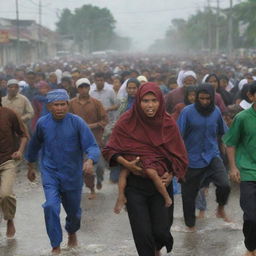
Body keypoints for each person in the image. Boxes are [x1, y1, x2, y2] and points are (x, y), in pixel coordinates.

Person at [103, 83, 188, 256]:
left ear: (160, 102)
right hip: (135, 185)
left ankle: (157, 249)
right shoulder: (126, 121)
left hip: (161, 185)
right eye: (145, 101)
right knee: (142, 233)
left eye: (154, 101)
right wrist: (127, 164)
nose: (150, 105)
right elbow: (110, 150)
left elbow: (178, 154)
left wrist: (171, 174)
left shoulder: (168, 123)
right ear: (138, 102)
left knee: (161, 231)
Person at [25, 89, 100, 254]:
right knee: (50, 206)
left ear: (67, 104)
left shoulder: (77, 122)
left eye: (62, 104)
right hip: (50, 172)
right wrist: (30, 166)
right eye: (55, 105)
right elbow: (34, 146)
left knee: (74, 212)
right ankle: (56, 245)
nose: (59, 108)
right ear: (50, 106)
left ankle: (72, 231)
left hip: (72, 174)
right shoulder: (42, 124)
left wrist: (90, 160)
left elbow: (92, 145)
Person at [177, 83, 231, 231]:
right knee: (189, 194)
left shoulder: (216, 111)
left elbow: (223, 132)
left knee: (225, 184)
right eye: (201, 98)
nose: (205, 101)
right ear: (196, 98)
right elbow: (177, 136)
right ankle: (190, 227)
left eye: (208, 98)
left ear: (212, 98)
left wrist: (226, 147)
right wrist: (179, 159)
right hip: (192, 159)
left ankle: (220, 207)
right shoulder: (187, 112)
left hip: (212, 155)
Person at [223, 82, 256, 256]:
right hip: (248, 172)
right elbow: (230, 143)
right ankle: (250, 247)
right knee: (251, 216)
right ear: (251, 96)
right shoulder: (242, 118)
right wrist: (233, 167)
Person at [69, 78, 108, 199]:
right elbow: (67, 120)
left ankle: (100, 179)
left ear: (89, 88)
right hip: (78, 141)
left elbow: (104, 120)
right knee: (86, 167)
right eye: (81, 87)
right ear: (77, 89)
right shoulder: (71, 103)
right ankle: (91, 188)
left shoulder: (96, 103)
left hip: (95, 140)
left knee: (100, 166)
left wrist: (91, 126)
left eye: (86, 87)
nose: (84, 89)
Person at [0, 91, 28, 238]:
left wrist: (20, 151)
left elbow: (23, 135)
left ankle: (9, 219)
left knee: (5, 194)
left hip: (7, 161)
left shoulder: (9, 114)